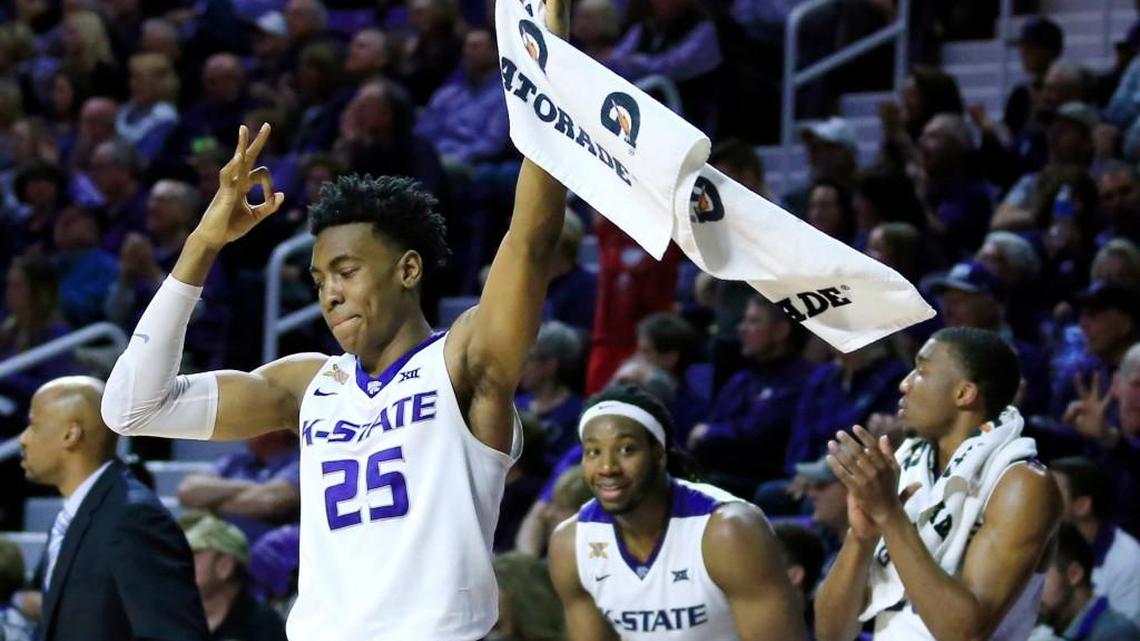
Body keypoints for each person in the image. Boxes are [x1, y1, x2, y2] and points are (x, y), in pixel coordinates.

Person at [100, 3, 571, 637]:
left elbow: (531, 240)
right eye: (320, 280)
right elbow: (130, 409)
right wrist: (202, 244)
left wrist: (552, 74)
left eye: (346, 271)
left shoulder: (462, 361)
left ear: (407, 270)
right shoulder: (309, 383)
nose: (329, 294)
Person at [815, 327, 1062, 641]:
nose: (904, 384)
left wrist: (890, 515)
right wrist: (861, 537)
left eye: (921, 371)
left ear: (963, 393)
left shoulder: (1020, 484)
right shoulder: (906, 465)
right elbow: (831, 633)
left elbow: (964, 634)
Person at [547, 385, 805, 640]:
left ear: (659, 454)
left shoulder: (728, 530)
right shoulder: (570, 544)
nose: (607, 467)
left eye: (626, 449)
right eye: (593, 452)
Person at [18, 376, 208, 641]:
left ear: (70, 434)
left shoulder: (133, 518)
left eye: (34, 425)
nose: (23, 439)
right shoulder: (74, 515)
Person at [1050, 457, 1140, 626]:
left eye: (1053, 494)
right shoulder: (1049, 542)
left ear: (1082, 506)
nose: (1043, 501)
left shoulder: (1128, 561)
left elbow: (1122, 633)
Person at [183, 514, 288, 641]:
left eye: (193, 556)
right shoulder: (176, 618)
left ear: (225, 566)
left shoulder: (262, 626)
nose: (182, 563)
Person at [1035, 523, 1140, 641]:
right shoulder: (1047, 631)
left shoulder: (1116, 633)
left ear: (1074, 574)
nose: (1032, 592)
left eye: (1040, 578)